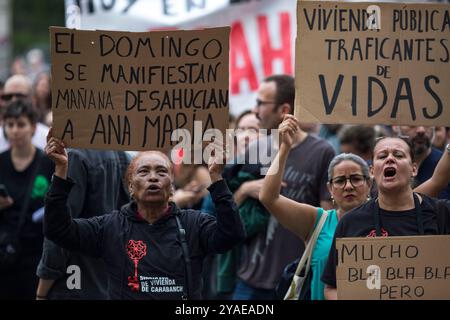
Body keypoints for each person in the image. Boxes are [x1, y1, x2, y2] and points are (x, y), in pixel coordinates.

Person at [260, 116, 450, 300]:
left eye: (356, 179)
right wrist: (285, 148)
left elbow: (437, 181)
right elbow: (269, 198)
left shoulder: (431, 210)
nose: (348, 186)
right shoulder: (332, 222)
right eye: (340, 180)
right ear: (330, 189)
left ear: (369, 183)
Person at [43, 131, 245, 299]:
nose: (153, 177)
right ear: (130, 186)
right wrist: (61, 171)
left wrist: (217, 179)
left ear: (172, 187)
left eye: (161, 172)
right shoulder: (110, 227)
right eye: (144, 172)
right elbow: (58, 230)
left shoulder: (193, 224)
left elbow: (231, 235)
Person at [231, 75, 335, 300]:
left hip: (295, 279)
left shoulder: (322, 152)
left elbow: (329, 222)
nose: (255, 110)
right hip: (249, 278)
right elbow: (231, 214)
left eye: (261, 103)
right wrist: (244, 189)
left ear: (283, 109)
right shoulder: (255, 149)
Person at [321, 136, 450, 300]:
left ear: (414, 169)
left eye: (399, 155)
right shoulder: (351, 222)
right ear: (372, 172)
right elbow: (331, 288)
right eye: (382, 156)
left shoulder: (443, 213)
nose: (390, 159)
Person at [35, 148, 131, 300]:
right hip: (106, 280)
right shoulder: (120, 154)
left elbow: (58, 233)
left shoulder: (75, 157)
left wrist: (41, 291)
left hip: (74, 280)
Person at [0, 100, 55, 299]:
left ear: (33, 127)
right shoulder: (2, 161)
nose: (15, 131)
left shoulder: (48, 164)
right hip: (5, 251)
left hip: (36, 252)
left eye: (21, 124)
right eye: (10, 125)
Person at [397, 125, 450, 199]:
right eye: (412, 124)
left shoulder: (447, 164)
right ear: (395, 126)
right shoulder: (384, 166)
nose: (421, 130)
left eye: (427, 124)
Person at [0, 74, 49, 152]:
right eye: (8, 97)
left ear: (33, 99)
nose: (13, 101)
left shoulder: (46, 139)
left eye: (20, 96)